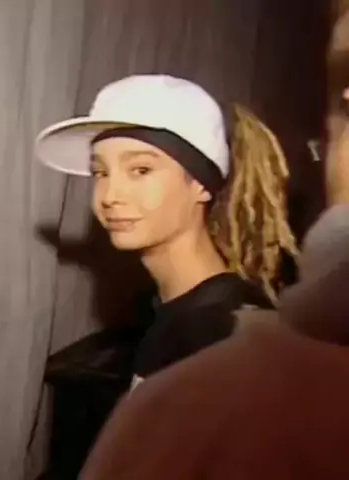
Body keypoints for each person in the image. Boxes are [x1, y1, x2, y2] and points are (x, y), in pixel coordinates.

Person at [35, 75, 298, 387]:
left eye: (141, 170)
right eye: (100, 172)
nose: (109, 196)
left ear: (201, 183)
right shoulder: (178, 313)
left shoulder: (219, 337)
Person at [80, 202, 349, 480]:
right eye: (100, 178)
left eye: (140, 176)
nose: (109, 196)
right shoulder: (171, 312)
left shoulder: (215, 327)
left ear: (201, 188)